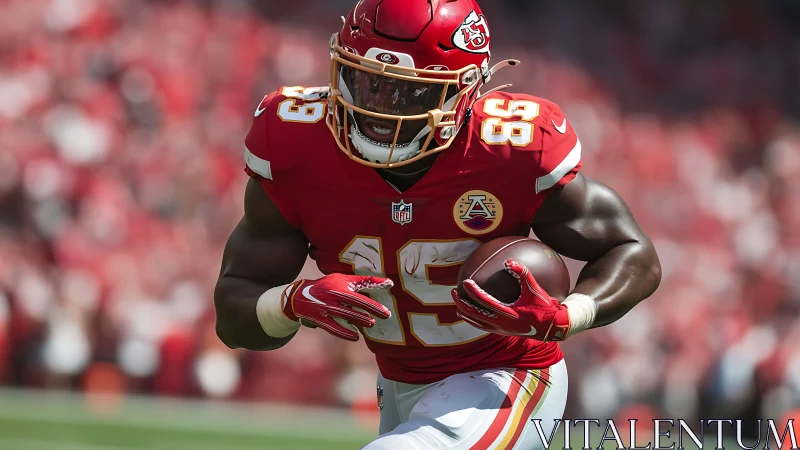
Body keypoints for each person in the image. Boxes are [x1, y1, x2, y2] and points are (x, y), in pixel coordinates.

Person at [214, 0, 661, 448]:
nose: (378, 110)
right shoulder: (298, 144)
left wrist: (570, 314)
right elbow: (233, 318)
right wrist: (292, 301)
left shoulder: (510, 150)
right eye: (366, 82)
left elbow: (632, 252)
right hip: (397, 385)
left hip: (506, 377)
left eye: (408, 92)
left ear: (465, 90)